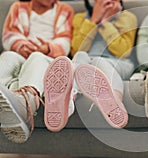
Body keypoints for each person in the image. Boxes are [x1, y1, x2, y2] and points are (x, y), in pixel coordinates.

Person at [44, 0, 137, 129]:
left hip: (118, 62)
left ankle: (115, 101)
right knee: (79, 56)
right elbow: (77, 49)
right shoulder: (80, 18)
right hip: (88, 63)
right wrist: (94, 20)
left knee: (99, 61)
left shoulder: (127, 17)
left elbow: (122, 50)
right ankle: (68, 101)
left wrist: (105, 21)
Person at [0, 0, 73, 143]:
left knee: (36, 58)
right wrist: (21, 46)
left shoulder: (65, 9)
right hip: (20, 53)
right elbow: (9, 34)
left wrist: (47, 48)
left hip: (46, 56)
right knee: (6, 57)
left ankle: (26, 104)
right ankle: (5, 98)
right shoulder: (18, 7)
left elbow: (65, 41)